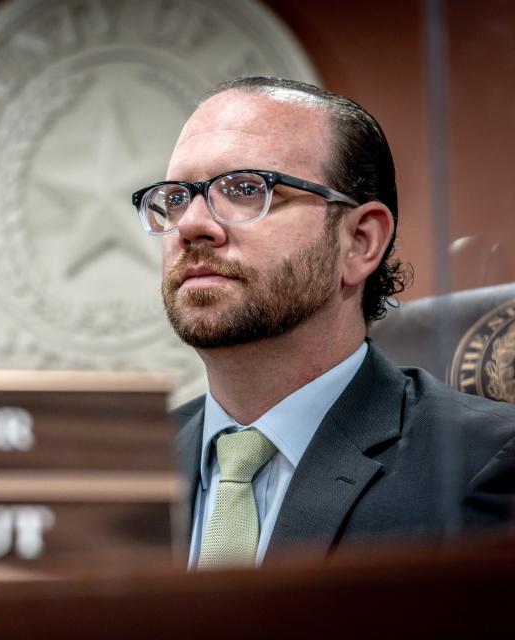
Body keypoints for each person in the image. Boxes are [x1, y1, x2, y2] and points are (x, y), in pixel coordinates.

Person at [130, 77, 515, 569]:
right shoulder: (121, 470)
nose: (190, 226)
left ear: (358, 242)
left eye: (247, 189)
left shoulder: (485, 465)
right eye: (176, 198)